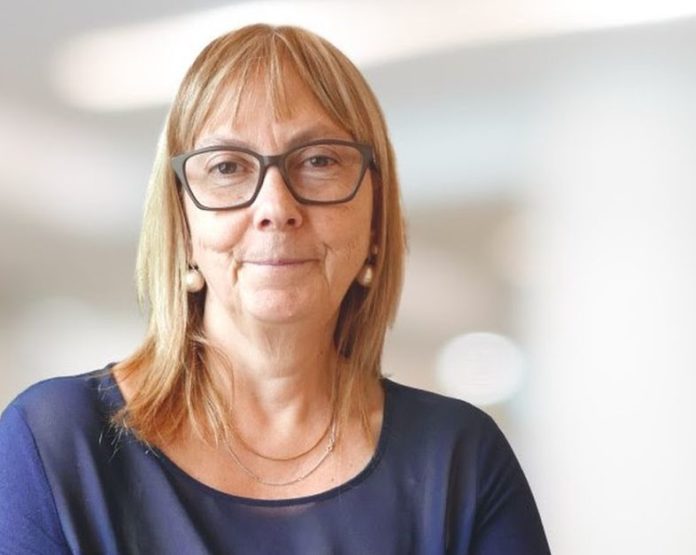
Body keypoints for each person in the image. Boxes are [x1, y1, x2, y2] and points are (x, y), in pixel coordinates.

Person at [0, 24, 550, 554]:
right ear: (183, 225)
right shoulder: (56, 442)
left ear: (376, 217)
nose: (276, 207)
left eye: (319, 161)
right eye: (227, 167)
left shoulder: (460, 461)